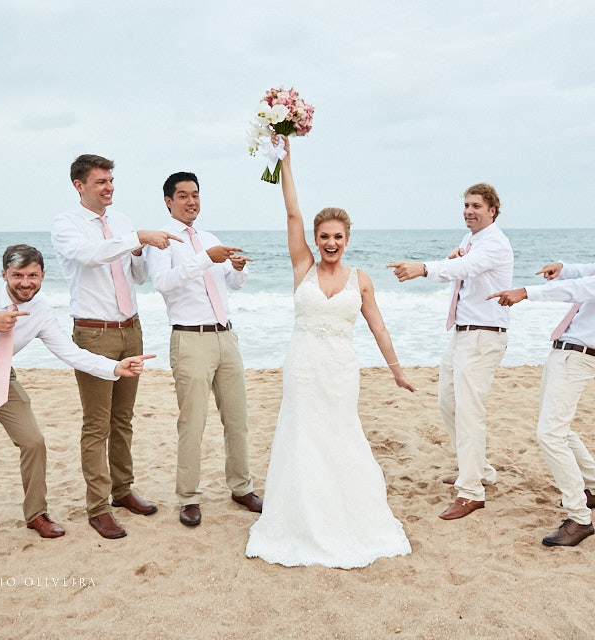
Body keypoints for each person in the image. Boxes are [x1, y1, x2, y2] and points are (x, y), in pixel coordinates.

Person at [245, 136, 415, 568]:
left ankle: (348, 517)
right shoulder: (302, 266)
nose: (330, 242)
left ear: (348, 238)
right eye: (324, 236)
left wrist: (396, 370)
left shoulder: (360, 278)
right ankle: (300, 520)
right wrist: (286, 160)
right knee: (302, 437)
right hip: (302, 366)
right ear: (316, 239)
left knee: (340, 437)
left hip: (340, 369)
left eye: (338, 236)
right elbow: (292, 212)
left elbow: (377, 324)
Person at [0, 245, 154, 555]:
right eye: (17, 275)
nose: (25, 282)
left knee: (34, 442)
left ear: (43, 275)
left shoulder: (41, 311)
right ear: (3, 274)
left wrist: (114, 367)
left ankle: (36, 515)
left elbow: (70, 352)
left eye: (32, 275)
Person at [488, 200, 595, 546]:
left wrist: (526, 293)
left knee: (550, 434)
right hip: (565, 352)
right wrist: (563, 267)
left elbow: (584, 288)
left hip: (578, 357)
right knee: (559, 428)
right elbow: (587, 273)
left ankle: (579, 516)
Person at [50, 153, 182, 539]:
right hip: (94, 333)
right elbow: (89, 256)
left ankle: (123, 490)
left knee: (123, 420)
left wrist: (142, 252)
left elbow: (136, 275)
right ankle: (97, 506)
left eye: (111, 181)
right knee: (97, 424)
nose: (109, 187)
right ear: (80, 185)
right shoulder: (66, 224)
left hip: (131, 330)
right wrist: (136, 238)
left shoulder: (122, 222)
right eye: (100, 182)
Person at [388, 184, 513, 520]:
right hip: (462, 333)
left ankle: (471, 492)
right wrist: (450, 257)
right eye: (466, 205)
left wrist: (424, 268)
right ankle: (480, 469)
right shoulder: (469, 240)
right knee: (448, 402)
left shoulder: (495, 243)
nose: (469, 211)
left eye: (476, 206)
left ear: (492, 211)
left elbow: (465, 269)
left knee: (470, 411)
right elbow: (459, 264)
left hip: (484, 336)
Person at [146, 171, 262, 527]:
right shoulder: (162, 241)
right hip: (189, 338)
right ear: (169, 201)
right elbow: (162, 284)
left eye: (195, 194)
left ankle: (241, 487)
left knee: (237, 418)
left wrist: (237, 269)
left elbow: (230, 283)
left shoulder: (210, 238)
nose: (191, 201)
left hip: (226, 336)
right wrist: (205, 259)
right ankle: (189, 497)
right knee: (192, 422)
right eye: (183, 196)